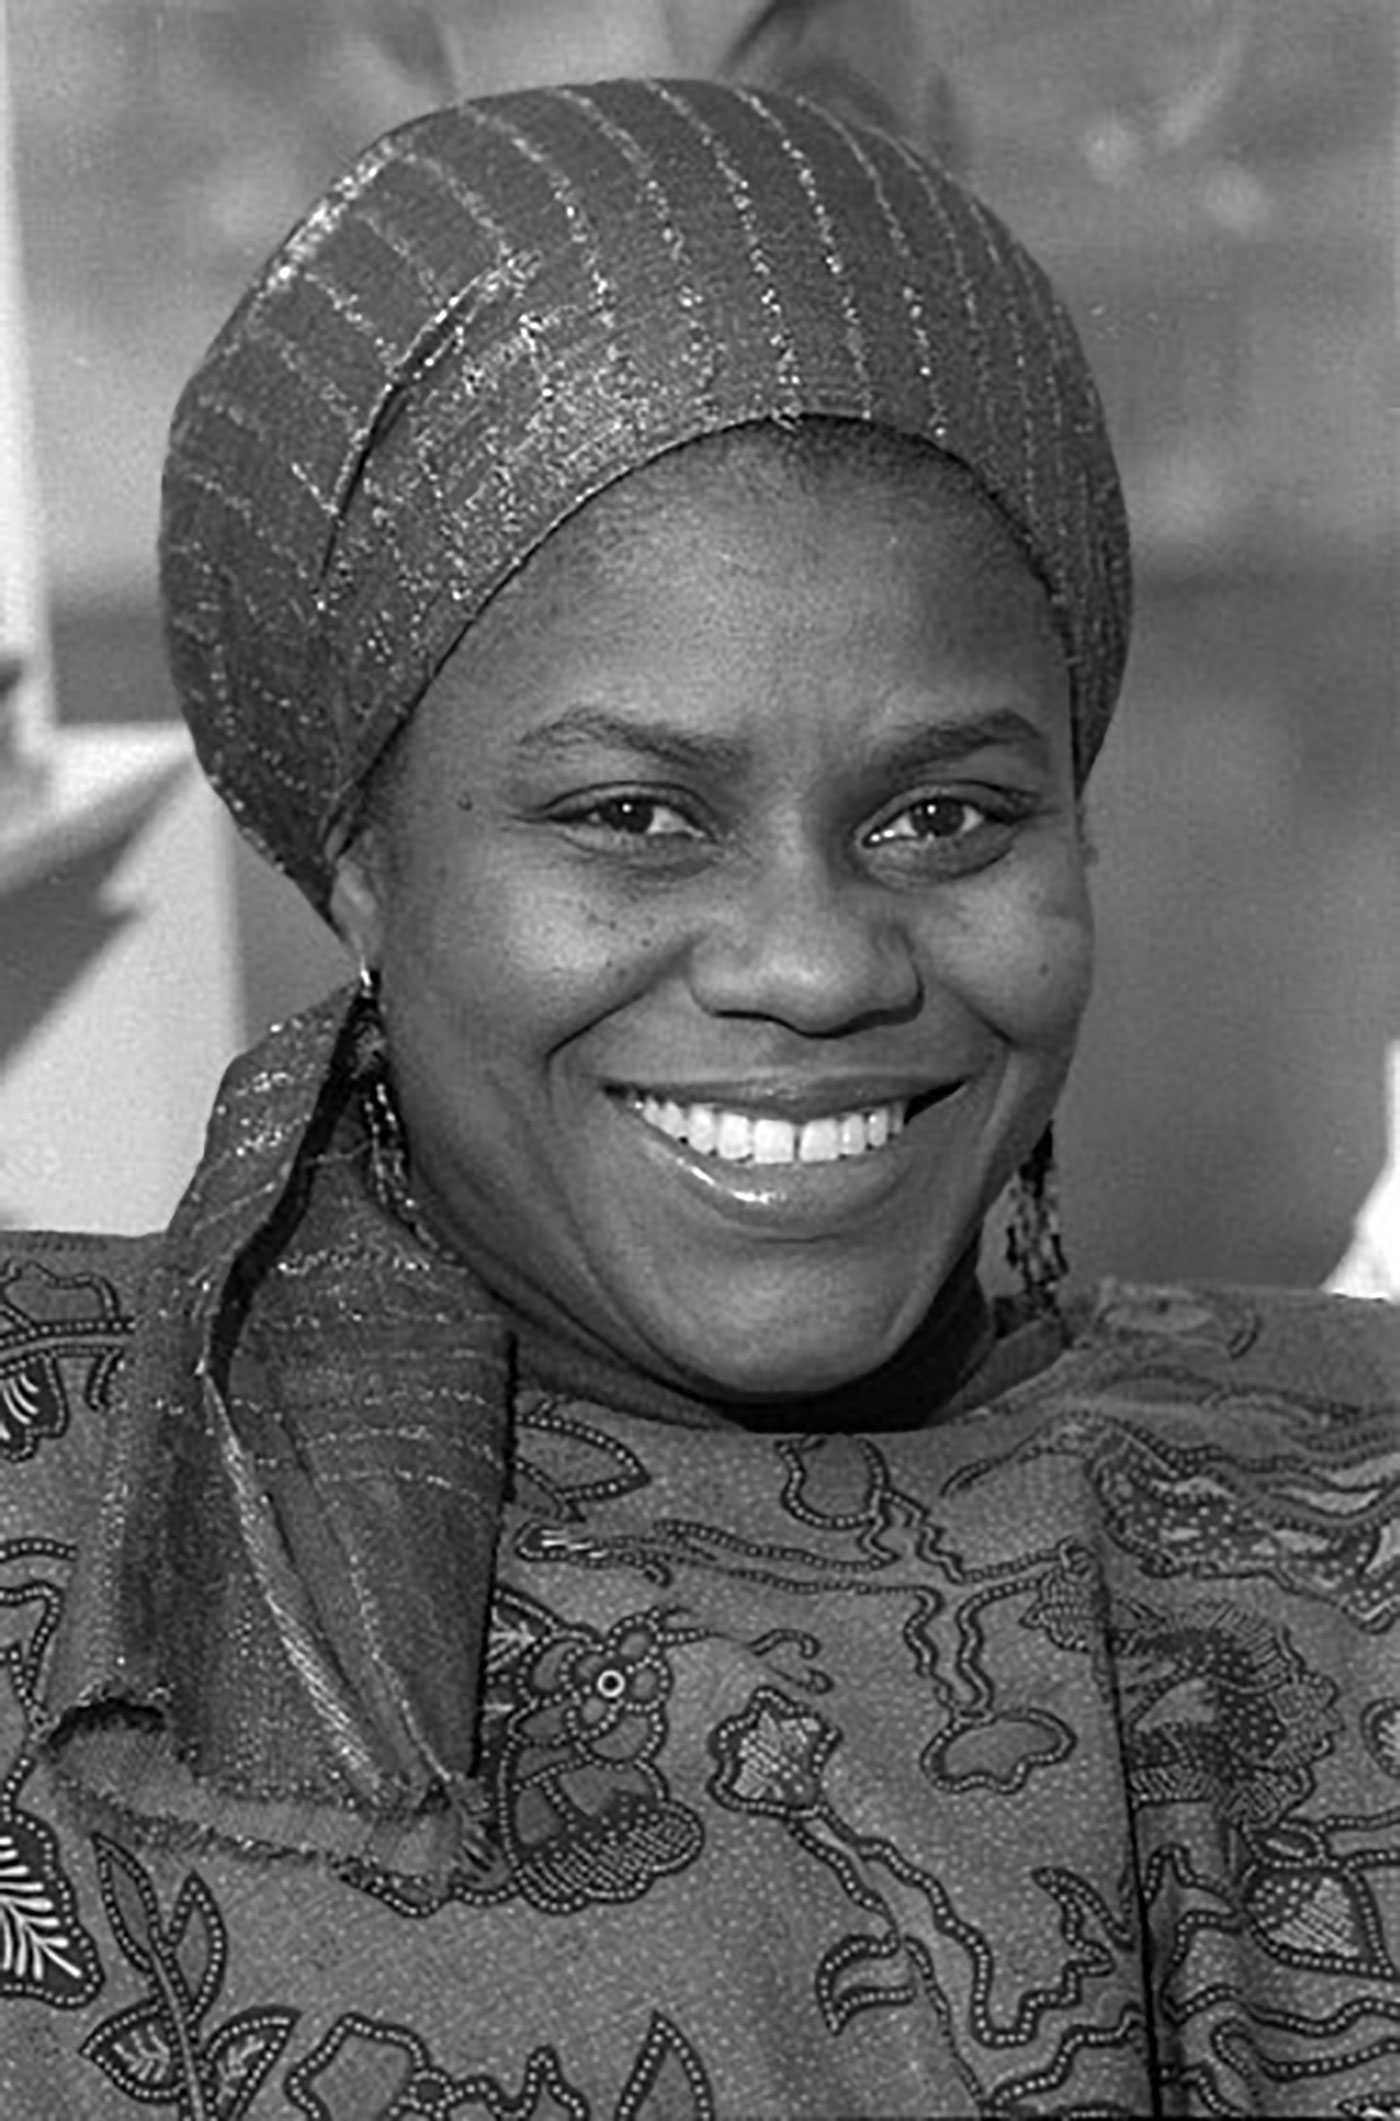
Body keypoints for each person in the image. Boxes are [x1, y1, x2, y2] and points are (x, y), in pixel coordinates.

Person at [0, 78, 1396, 2119]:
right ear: (361, 854)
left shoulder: (1331, 1499)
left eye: (946, 812)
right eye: (635, 813)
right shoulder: (67, 1519)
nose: (818, 962)